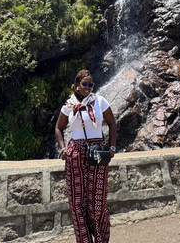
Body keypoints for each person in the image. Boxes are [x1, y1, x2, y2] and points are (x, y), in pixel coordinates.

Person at [55, 69, 117, 243]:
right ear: (77, 85)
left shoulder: (100, 101)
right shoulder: (69, 105)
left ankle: (101, 240)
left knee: (97, 203)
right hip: (75, 153)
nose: (88, 87)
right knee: (77, 203)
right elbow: (58, 128)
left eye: (91, 84)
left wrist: (112, 147)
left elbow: (112, 123)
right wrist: (62, 149)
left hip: (97, 152)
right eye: (84, 84)